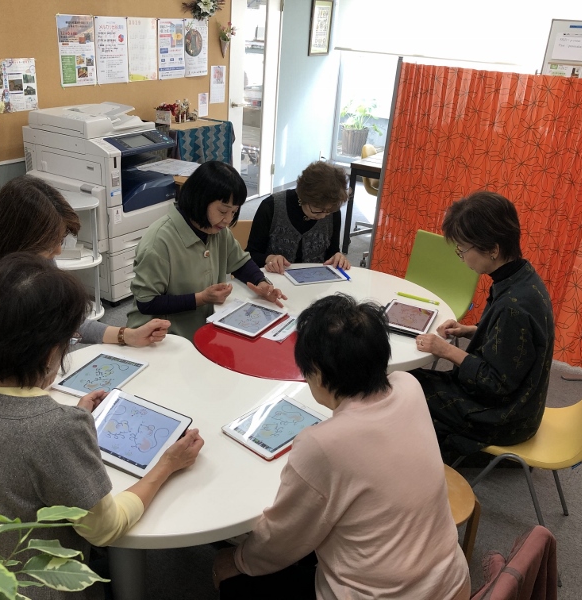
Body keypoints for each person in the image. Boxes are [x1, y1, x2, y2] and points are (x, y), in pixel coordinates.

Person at [0, 253, 204, 600]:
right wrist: (167, 465)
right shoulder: (53, 429)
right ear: (47, 353)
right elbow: (107, 529)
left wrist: (72, 418)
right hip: (17, 587)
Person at [212, 294, 470, 600]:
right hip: (451, 581)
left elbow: (280, 541)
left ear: (318, 374)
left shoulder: (322, 444)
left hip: (382, 595)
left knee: (228, 569)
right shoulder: (408, 385)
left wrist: (237, 559)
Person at [0, 175, 170, 387]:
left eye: (60, 240)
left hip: (36, 383)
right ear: (18, 240)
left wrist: (126, 335)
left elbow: (67, 322)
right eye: (49, 243)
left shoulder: (37, 261)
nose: (57, 251)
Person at [412, 191, 555, 461]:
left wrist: (446, 350)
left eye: (463, 250)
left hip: (505, 417)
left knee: (406, 386)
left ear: (493, 250)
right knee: (413, 381)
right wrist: (471, 330)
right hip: (521, 402)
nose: (461, 257)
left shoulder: (513, 306)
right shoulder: (521, 277)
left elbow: (495, 383)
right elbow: (515, 346)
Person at [127, 161, 287, 339]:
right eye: (223, 211)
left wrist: (262, 283)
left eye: (234, 212)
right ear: (200, 200)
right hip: (159, 336)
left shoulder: (217, 230)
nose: (228, 220)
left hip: (205, 324)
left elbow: (240, 263)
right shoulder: (159, 242)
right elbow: (147, 302)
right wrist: (201, 298)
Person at [246, 161, 351, 274]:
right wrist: (269, 258)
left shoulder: (332, 210)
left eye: (328, 211)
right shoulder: (271, 206)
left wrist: (337, 257)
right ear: (303, 197)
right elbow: (251, 255)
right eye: (318, 210)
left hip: (315, 278)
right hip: (275, 278)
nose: (323, 216)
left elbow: (332, 251)